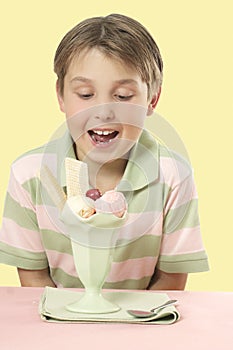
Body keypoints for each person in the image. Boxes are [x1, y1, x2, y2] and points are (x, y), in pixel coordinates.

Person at [0, 13, 209, 289]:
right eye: (86, 94)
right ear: (61, 95)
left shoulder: (173, 177)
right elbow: (35, 280)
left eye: (123, 96)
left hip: (141, 328)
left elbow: (171, 281)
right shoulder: (29, 175)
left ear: (152, 100)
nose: (103, 111)